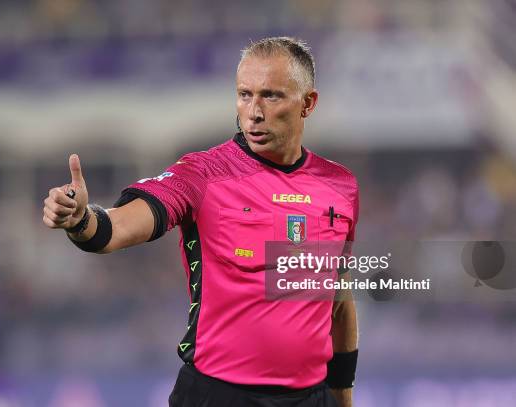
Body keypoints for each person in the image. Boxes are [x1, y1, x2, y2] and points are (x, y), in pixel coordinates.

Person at [43, 37, 359, 407]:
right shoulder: (204, 174)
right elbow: (118, 228)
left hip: (311, 399)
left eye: (271, 96)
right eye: (244, 95)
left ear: (308, 103)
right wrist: (82, 220)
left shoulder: (339, 187)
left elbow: (336, 297)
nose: (254, 111)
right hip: (216, 395)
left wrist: (342, 395)